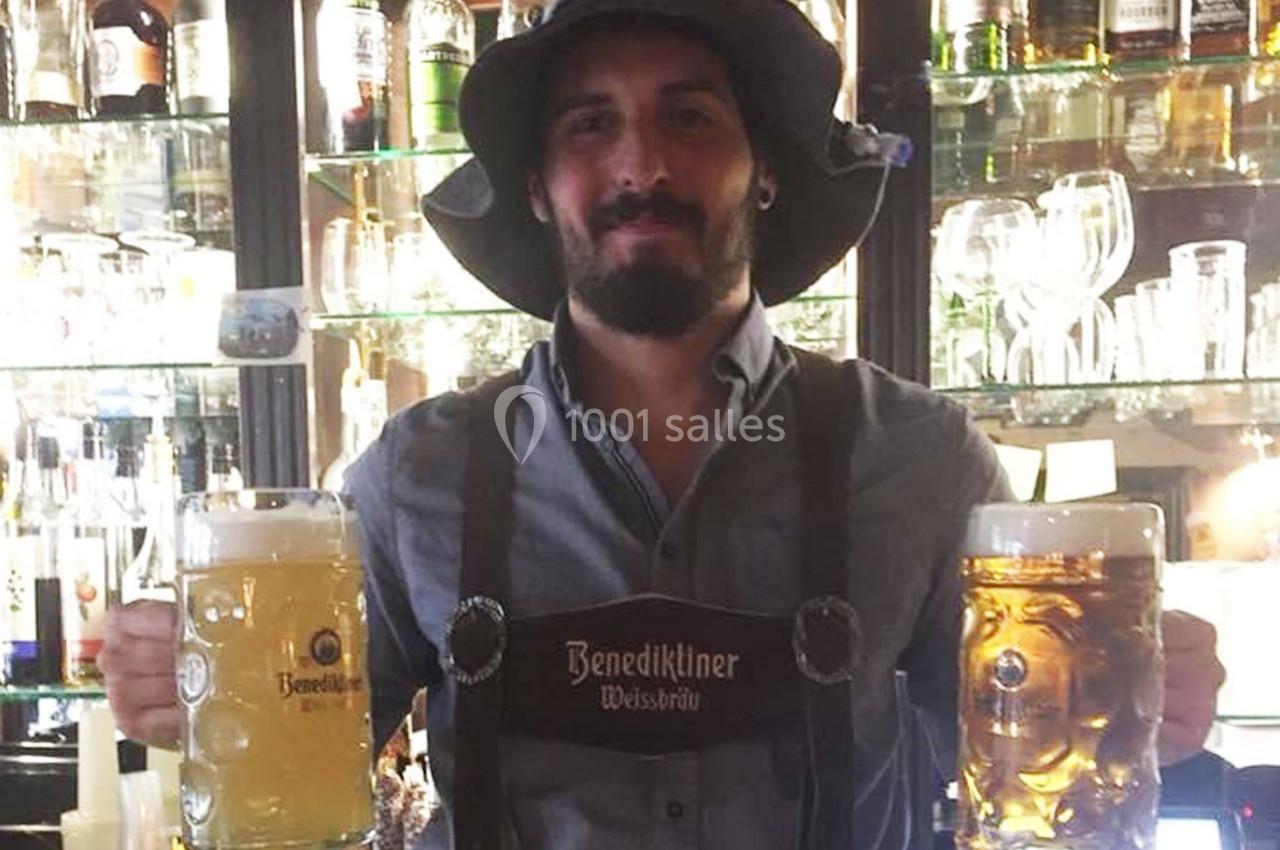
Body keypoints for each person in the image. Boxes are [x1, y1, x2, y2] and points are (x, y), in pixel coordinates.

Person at [100, 0, 1227, 847]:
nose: (640, 164)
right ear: (538, 187)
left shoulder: (922, 458)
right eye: (590, 127)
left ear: (764, 169)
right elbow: (317, 754)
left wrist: (1136, 699)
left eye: (688, 117)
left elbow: (1015, 735)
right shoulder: (414, 473)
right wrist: (194, 696)